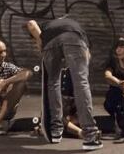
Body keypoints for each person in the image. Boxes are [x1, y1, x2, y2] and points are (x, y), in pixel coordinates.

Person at [25, 17, 103, 151]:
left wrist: (41, 44)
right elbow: (87, 57)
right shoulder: (75, 27)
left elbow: (31, 24)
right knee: (81, 83)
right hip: (74, 38)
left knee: (53, 82)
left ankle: (56, 130)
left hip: (50, 43)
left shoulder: (47, 27)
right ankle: (90, 135)